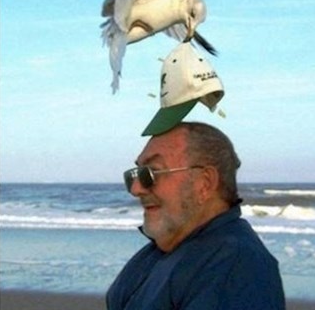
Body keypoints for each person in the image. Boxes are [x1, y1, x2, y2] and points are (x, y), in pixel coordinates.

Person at [107, 122, 285, 310]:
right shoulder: (163, 250)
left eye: (151, 173)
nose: (136, 188)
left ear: (204, 183)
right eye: (136, 175)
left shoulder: (235, 266)